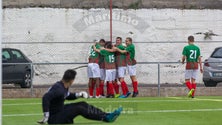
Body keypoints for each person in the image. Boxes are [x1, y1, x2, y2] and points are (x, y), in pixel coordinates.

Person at [37, 69, 122, 124]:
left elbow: (67, 95)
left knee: (83, 104)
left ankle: (107, 115)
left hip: (60, 111)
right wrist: (46, 115)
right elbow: (46, 97)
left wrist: (79, 95)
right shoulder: (58, 88)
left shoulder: (62, 86)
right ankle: (105, 118)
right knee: (79, 108)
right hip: (54, 118)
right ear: (72, 80)